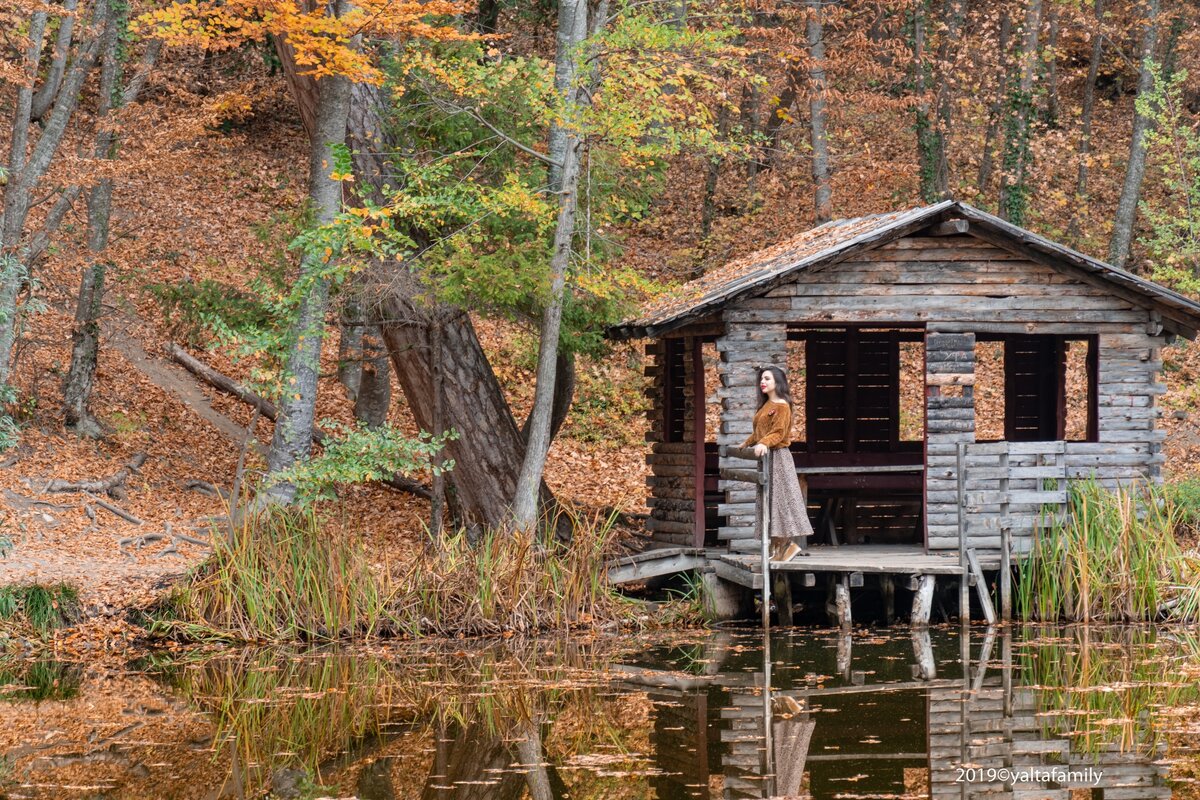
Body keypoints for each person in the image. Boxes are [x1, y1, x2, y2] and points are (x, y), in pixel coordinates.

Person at [742, 366, 814, 562]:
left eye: (767, 379)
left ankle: (787, 546)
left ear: (777, 383)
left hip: (779, 458)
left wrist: (764, 443)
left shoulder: (782, 405)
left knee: (780, 500)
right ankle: (778, 550)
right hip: (767, 458)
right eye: (761, 379)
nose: (762, 382)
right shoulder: (766, 404)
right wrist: (747, 443)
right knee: (769, 501)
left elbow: (778, 432)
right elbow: (761, 431)